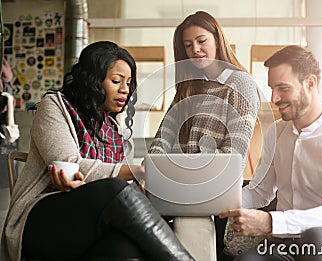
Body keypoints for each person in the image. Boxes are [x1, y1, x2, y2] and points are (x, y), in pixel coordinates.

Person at [0, 41, 193, 261]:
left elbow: (112, 192)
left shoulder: (114, 129)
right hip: (41, 224)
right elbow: (69, 164)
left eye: (128, 83)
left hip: (89, 228)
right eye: (116, 81)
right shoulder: (54, 106)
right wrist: (136, 171)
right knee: (113, 188)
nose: (125, 90)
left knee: (124, 248)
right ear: (92, 80)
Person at [219, 45, 322, 260]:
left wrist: (270, 222)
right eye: (271, 88)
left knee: (315, 238)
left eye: (282, 88)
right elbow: (260, 191)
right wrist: (213, 198)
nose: (274, 98)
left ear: (310, 83)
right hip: (286, 245)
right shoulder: (277, 132)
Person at [143, 11, 260, 260]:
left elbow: (234, 153)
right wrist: (152, 171)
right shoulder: (189, 86)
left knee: (188, 221)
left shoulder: (241, 84)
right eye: (188, 45)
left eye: (201, 40)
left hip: (214, 188)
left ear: (218, 39)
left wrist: (186, 172)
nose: (195, 49)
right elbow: (162, 138)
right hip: (179, 184)